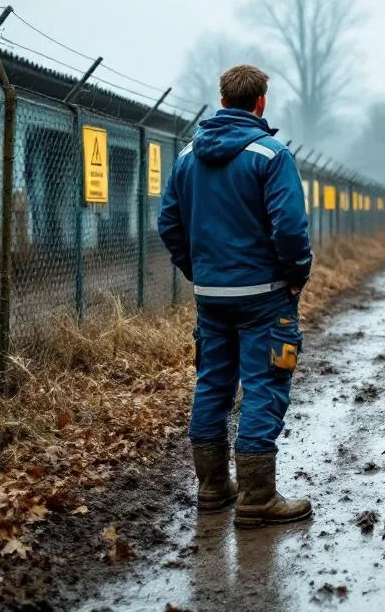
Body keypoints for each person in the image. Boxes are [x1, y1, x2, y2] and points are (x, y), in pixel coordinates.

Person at [158, 64, 313, 527]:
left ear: (222, 101)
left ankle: (211, 488)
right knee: (264, 384)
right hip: (264, 295)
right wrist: (295, 275)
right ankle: (257, 496)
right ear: (260, 103)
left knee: (212, 383)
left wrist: (198, 272)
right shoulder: (271, 155)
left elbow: (168, 224)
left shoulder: (187, 158)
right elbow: (289, 227)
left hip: (212, 297)